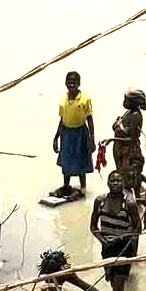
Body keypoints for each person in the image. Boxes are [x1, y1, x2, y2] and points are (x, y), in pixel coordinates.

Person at [90, 170, 143, 291]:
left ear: (123, 183)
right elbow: (93, 227)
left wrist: (120, 239)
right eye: (113, 181)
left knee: (118, 288)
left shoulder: (130, 204)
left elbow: (137, 230)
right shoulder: (100, 201)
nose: (116, 184)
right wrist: (103, 241)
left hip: (123, 248)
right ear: (108, 183)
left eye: (119, 181)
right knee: (113, 284)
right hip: (107, 249)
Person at [52, 71, 94, 200]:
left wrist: (92, 139)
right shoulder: (63, 100)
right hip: (66, 133)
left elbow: (90, 119)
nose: (72, 84)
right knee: (66, 161)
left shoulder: (85, 99)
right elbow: (62, 119)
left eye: (74, 82)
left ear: (79, 83)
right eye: (69, 82)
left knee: (81, 160)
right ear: (65, 83)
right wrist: (56, 137)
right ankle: (66, 186)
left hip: (80, 132)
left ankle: (82, 188)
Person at [111, 88, 146, 189]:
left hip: (129, 152)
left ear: (133, 102)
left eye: (126, 100)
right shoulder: (128, 112)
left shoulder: (136, 116)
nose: (123, 102)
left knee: (129, 176)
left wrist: (113, 140)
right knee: (121, 174)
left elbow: (133, 139)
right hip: (120, 151)